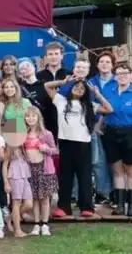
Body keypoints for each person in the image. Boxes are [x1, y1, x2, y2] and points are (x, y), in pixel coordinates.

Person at [45, 77, 112, 218]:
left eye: (82, 88)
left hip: (83, 144)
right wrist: (63, 82)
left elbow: (108, 109)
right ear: (71, 88)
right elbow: (47, 86)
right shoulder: (61, 101)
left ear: (85, 92)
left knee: (85, 176)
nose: (79, 89)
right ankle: (64, 207)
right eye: (76, 86)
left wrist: (97, 94)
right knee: (65, 176)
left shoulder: (89, 105)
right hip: (65, 143)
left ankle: (86, 207)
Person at [101, 62, 132, 215]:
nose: (122, 76)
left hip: (129, 132)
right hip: (111, 132)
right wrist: (98, 126)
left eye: (125, 73)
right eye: (119, 73)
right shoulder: (109, 90)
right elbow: (103, 111)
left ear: (131, 75)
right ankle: (119, 205)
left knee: (130, 170)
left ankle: (131, 205)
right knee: (117, 170)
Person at [23, 106, 57, 235]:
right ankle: (36, 224)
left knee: (44, 198)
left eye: (33, 116)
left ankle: (45, 224)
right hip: (30, 169)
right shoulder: (23, 134)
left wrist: (45, 148)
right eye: (28, 116)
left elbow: (55, 150)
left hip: (44, 169)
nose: (30, 119)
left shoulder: (46, 133)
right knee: (35, 199)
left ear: (38, 118)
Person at [89, 52, 116, 204]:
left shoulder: (118, 81)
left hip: (114, 125)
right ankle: (102, 192)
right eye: (102, 62)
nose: (104, 64)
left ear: (112, 65)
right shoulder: (91, 83)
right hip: (95, 127)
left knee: (115, 161)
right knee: (98, 161)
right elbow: (92, 106)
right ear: (97, 65)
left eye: (107, 62)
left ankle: (116, 192)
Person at [36, 42, 71, 138]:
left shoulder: (69, 74)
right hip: (46, 118)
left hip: (67, 118)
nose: (53, 57)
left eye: (56, 54)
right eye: (50, 54)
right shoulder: (39, 76)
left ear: (62, 56)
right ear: (46, 57)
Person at [2, 145, 32, 237]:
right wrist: (6, 182)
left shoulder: (23, 147)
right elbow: (4, 165)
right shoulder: (10, 148)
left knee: (29, 204)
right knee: (16, 203)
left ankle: (10, 217)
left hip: (24, 176)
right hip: (14, 176)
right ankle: (17, 230)